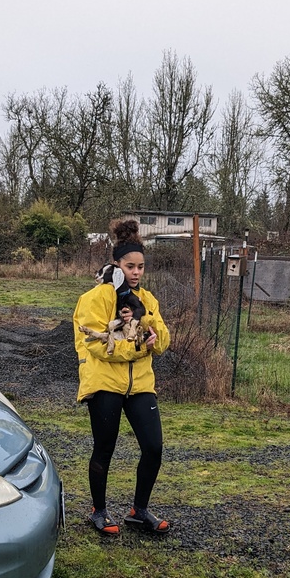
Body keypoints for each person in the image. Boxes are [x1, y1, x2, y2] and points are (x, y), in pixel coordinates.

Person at [73, 219, 171, 535]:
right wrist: (141, 347)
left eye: (141, 266)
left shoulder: (148, 299)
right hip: (104, 381)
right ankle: (98, 511)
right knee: (105, 448)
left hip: (140, 383)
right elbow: (98, 344)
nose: (137, 272)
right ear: (117, 264)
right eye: (130, 266)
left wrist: (155, 339)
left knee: (154, 448)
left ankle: (138, 510)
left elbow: (164, 338)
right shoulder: (96, 298)